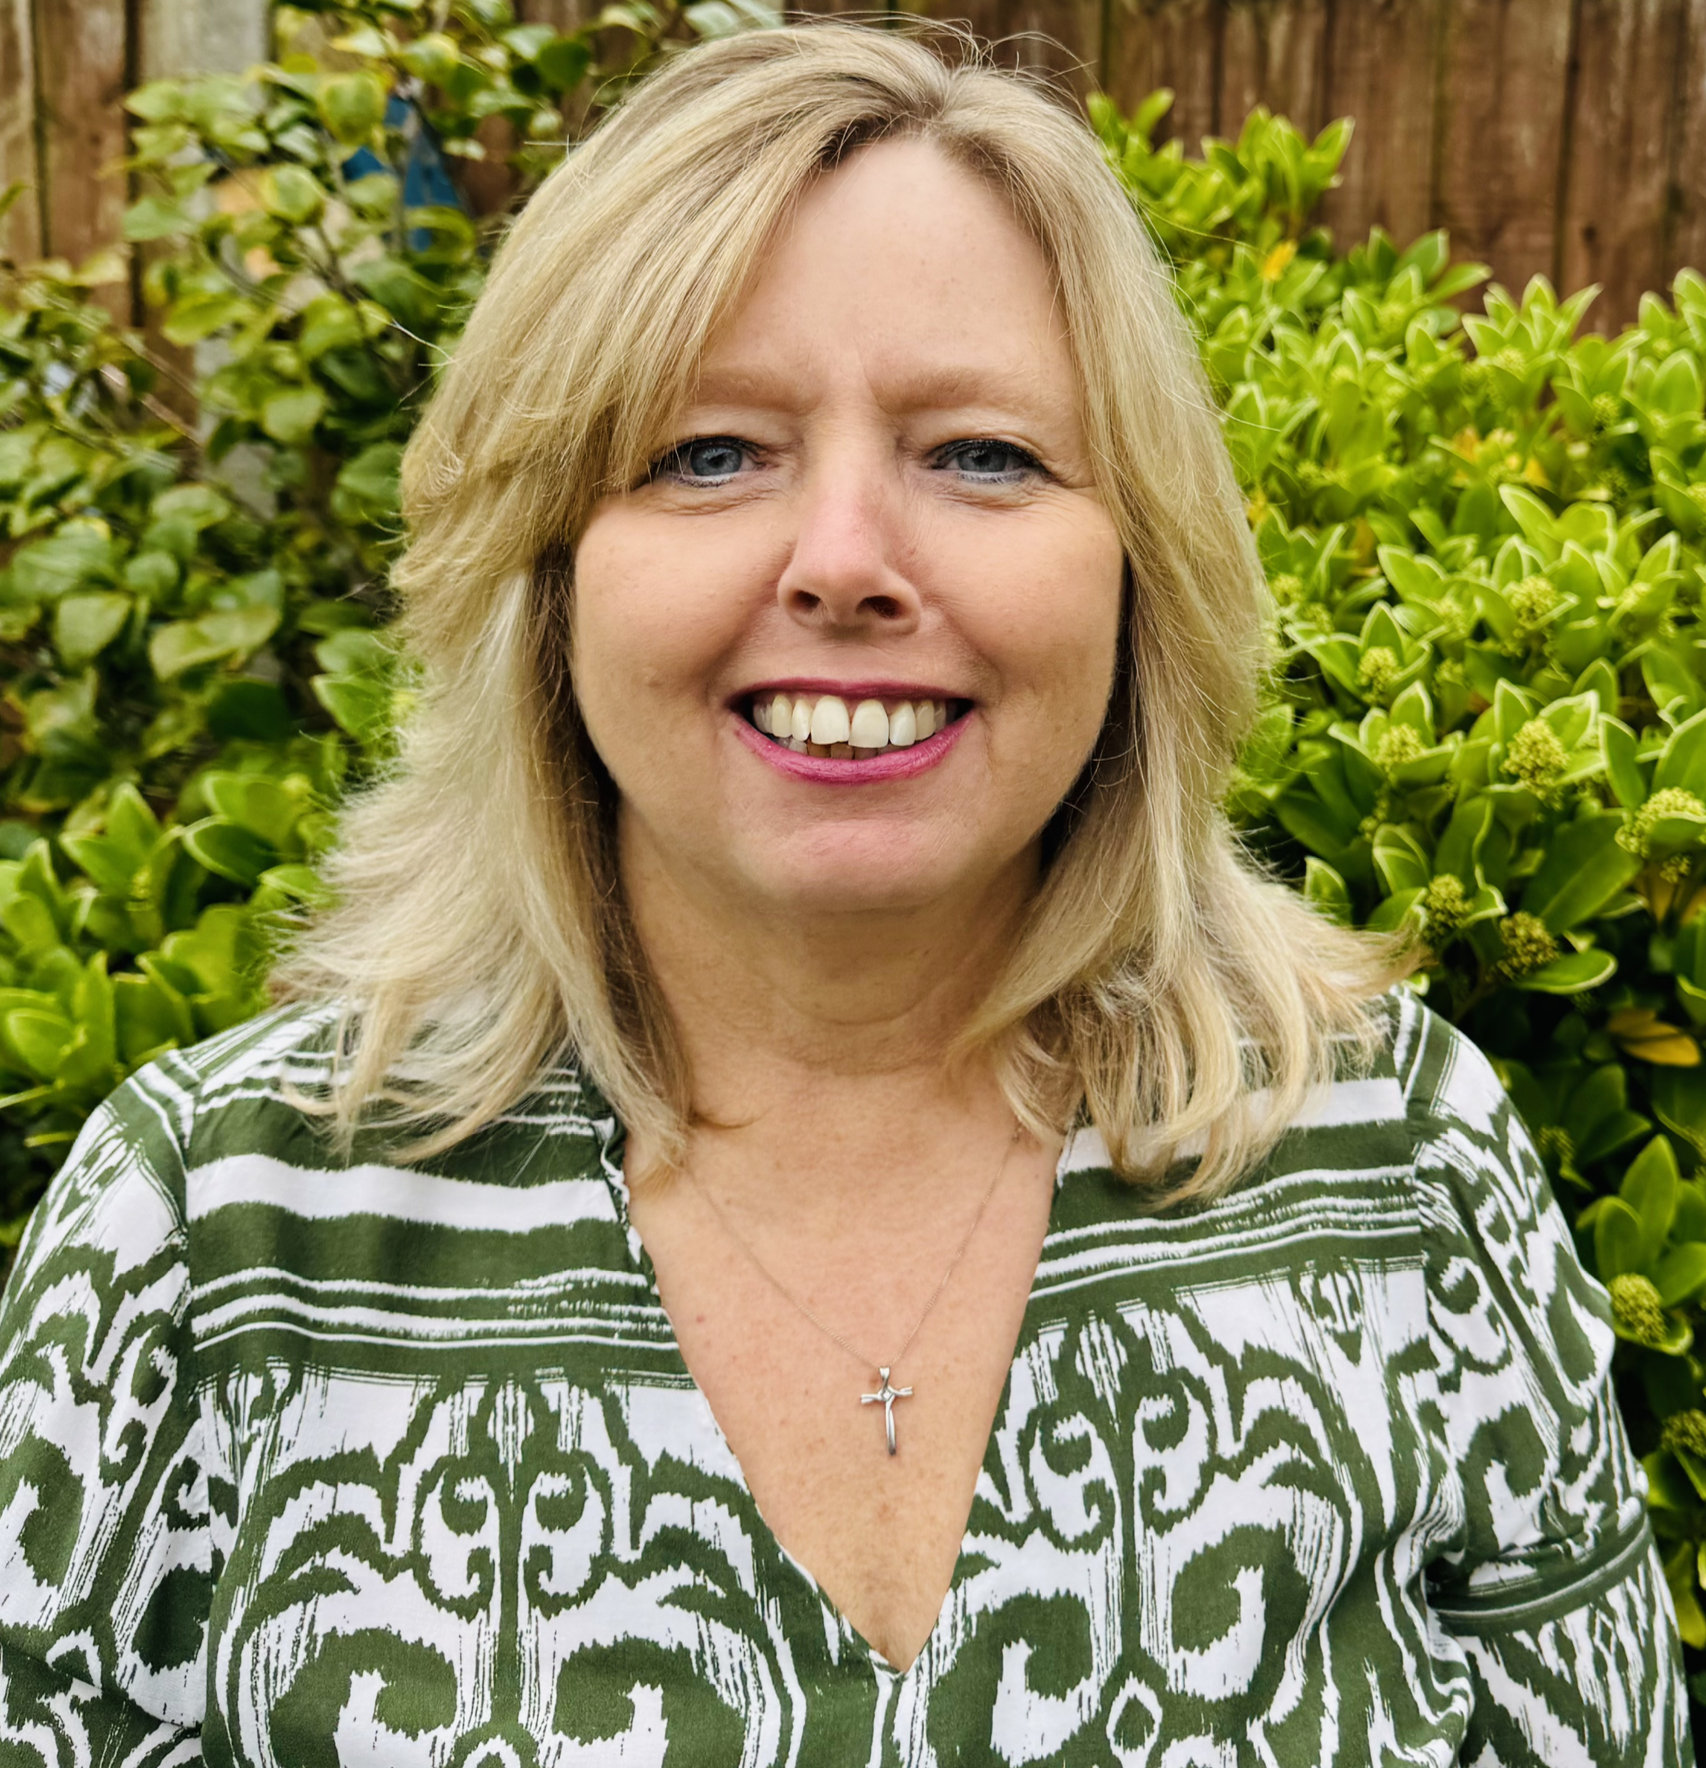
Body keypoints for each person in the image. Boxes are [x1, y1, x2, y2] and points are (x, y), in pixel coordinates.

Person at [0, 22, 1690, 1766]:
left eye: (982, 454)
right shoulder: (207, 1242)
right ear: (547, 569)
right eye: (709, 452)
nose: (843, 565)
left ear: (1139, 567)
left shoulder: (1393, 1167)